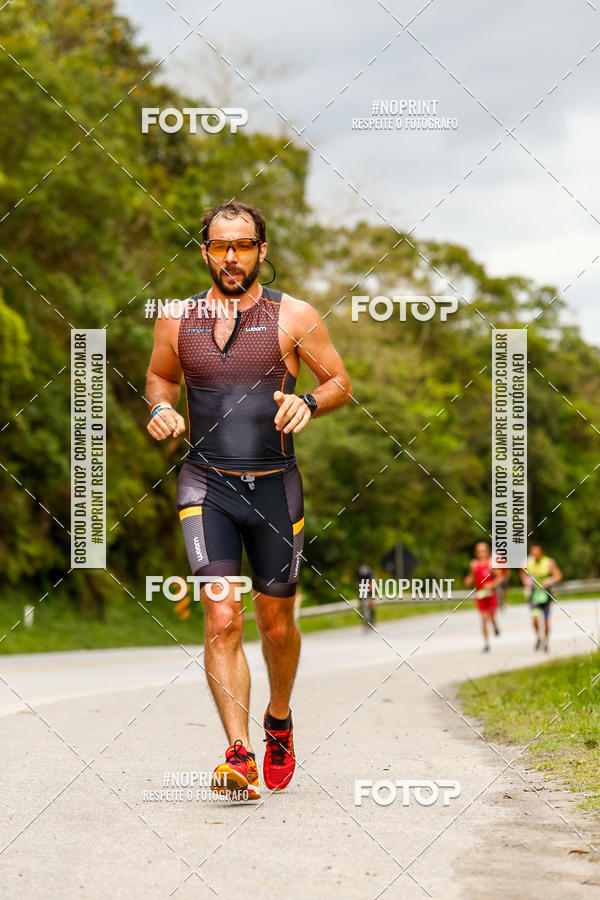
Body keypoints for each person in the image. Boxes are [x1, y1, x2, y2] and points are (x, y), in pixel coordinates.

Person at [146, 200, 352, 799]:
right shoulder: (175, 318)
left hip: (274, 486)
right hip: (204, 485)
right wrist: (161, 406)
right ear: (205, 250)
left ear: (262, 250)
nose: (230, 257)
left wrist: (308, 402)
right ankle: (237, 752)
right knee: (221, 615)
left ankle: (278, 722)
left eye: (242, 245)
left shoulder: (294, 317)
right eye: (218, 245)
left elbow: (339, 381)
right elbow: (160, 377)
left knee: (276, 624)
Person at [520, 543, 562, 652]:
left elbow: (558, 575)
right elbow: (522, 574)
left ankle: (546, 642)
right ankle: (539, 637)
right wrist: (526, 581)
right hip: (533, 594)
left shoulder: (549, 562)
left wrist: (549, 580)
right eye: (533, 554)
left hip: (546, 594)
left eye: (537, 554)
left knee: (546, 621)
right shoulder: (527, 562)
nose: (535, 556)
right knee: (534, 618)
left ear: (541, 554)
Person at [464, 541, 504, 652]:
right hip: (480, 594)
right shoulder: (474, 564)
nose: (481, 553)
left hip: (490, 594)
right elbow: (472, 576)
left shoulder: (491, 563)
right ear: (476, 553)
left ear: (487, 552)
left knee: (491, 617)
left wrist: (492, 584)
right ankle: (486, 643)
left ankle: (495, 626)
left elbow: (500, 577)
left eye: (483, 551)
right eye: (479, 551)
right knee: (483, 619)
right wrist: (468, 580)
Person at [356, 564, 376, 629]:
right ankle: (361, 611)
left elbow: (371, 585)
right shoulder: (359, 574)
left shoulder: (370, 574)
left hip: (370, 585)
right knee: (360, 599)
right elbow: (357, 584)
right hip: (362, 585)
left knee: (371, 602)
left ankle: (372, 618)